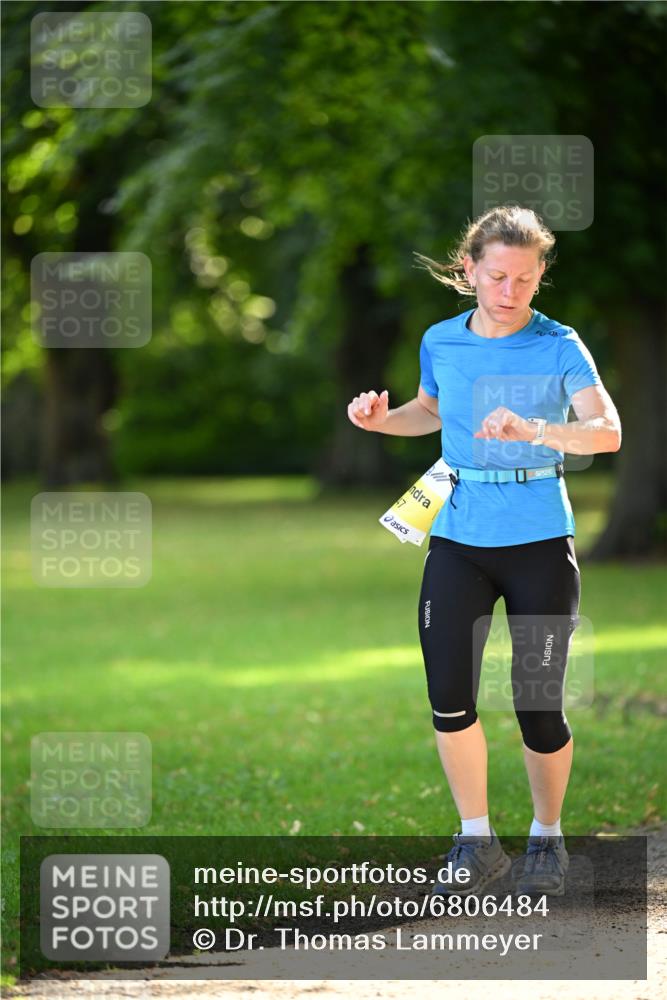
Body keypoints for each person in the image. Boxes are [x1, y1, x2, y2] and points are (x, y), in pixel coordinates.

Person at [346, 205, 622, 896]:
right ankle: (476, 840)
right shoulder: (441, 340)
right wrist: (382, 421)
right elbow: (433, 412)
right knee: (449, 700)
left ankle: (546, 837)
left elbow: (606, 431)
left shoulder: (559, 343)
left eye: (524, 279)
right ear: (467, 269)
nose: (509, 291)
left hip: (536, 538)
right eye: (497, 276)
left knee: (537, 704)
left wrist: (535, 428)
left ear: (538, 277)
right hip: (457, 538)